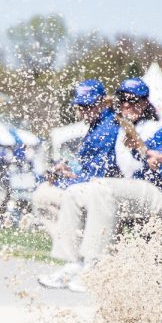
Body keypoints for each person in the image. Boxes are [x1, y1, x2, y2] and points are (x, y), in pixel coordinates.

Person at [39, 70, 162, 291]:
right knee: (78, 192)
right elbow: (151, 145)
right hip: (150, 185)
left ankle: (96, 266)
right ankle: (74, 263)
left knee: (101, 188)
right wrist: (141, 148)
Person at [31, 79, 121, 237]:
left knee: (42, 196)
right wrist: (70, 172)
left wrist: (64, 180)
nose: (84, 111)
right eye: (81, 107)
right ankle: (79, 251)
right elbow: (90, 170)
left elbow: (99, 177)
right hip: (95, 188)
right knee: (45, 192)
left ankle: (77, 255)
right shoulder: (99, 125)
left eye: (89, 106)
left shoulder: (106, 129)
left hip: (102, 193)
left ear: (102, 102)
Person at [113, 78, 161, 178]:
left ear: (145, 103)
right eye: (122, 99)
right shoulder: (117, 127)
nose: (126, 104)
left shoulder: (155, 128)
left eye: (132, 100)